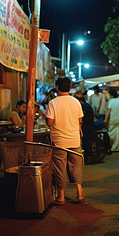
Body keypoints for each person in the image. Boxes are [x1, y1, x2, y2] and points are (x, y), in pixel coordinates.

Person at [46, 77, 85, 205]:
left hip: (59, 141)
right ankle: (79, 193)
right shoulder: (76, 102)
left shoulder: (53, 103)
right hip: (74, 139)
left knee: (60, 167)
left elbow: (49, 122)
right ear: (70, 86)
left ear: (57, 87)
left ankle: (61, 196)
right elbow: (79, 120)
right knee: (76, 165)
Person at [75, 93, 94, 164]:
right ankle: (88, 158)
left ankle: (87, 158)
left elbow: (81, 118)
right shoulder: (88, 106)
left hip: (86, 127)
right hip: (90, 126)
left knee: (86, 143)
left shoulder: (83, 107)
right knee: (88, 142)